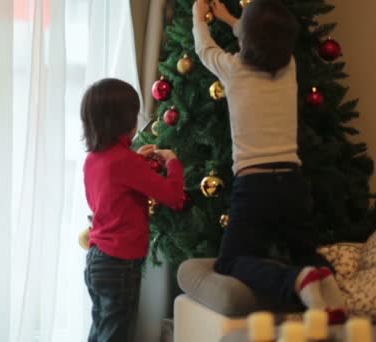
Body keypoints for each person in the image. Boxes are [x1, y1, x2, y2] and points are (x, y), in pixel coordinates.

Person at [192, 0, 346, 323]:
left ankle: (295, 281)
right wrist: (231, 18)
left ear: (244, 39)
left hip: (254, 186)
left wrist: (201, 16)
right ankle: (327, 289)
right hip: (293, 181)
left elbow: (204, 48)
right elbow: (261, 39)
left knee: (230, 261)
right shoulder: (288, 65)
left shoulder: (233, 69)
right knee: (305, 251)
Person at [81, 78, 186, 341]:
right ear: (125, 122)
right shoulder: (125, 162)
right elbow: (173, 197)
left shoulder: (94, 159)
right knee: (116, 334)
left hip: (97, 260)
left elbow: (110, 193)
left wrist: (137, 161)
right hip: (119, 265)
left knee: (101, 331)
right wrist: (173, 163)